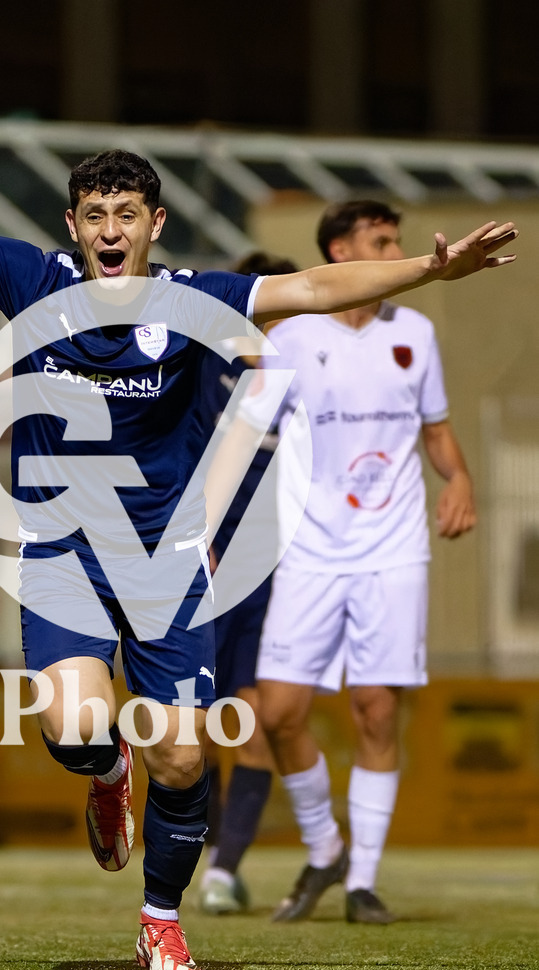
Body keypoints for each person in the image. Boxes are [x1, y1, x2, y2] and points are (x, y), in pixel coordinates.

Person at [0, 96, 517, 970]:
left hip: (169, 561)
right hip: (66, 549)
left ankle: (160, 919)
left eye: (126, 215)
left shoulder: (197, 300)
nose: (111, 230)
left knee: (183, 755)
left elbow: (309, 288)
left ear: (155, 223)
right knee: (73, 726)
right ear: (74, 225)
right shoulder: (34, 282)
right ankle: (106, 775)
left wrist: (427, 273)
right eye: (95, 215)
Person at [227, 200, 478, 924]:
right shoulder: (294, 336)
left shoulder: (416, 333)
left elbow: (436, 433)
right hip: (309, 549)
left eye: (396, 239)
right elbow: (244, 430)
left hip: (392, 550)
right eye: (382, 241)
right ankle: (324, 847)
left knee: (374, 710)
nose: (396, 251)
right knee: (276, 714)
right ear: (340, 253)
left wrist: (458, 478)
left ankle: (362, 880)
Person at [197, 252, 298, 916]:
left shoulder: (303, 379)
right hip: (203, 563)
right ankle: (204, 848)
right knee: (199, 723)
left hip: (273, 570)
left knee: (255, 718)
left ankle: (223, 868)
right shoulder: (209, 364)